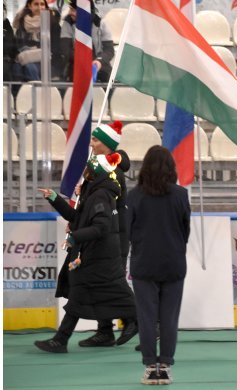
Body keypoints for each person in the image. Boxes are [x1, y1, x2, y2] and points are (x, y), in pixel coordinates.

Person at [34, 153, 136, 353]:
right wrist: (55, 199)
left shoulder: (100, 196)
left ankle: (61, 340)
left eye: (88, 169)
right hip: (96, 256)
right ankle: (62, 340)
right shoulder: (95, 192)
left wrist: (75, 237)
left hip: (100, 258)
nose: (85, 172)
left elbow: (101, 227)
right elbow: (77, 217)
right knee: (81, 297)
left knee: (90, 298)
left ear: (94, 173)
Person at [127, 145, 191, 385]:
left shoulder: (133, 196)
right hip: (173, 263)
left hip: (144, 263)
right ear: (170, 168)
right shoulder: (181, 195)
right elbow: (185, 230)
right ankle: (165, 365)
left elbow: (128, 231)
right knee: (169, 318)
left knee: (146, 317)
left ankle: (148, 366)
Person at [76, 120, 138, 348]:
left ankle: (136, 320)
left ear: (108, 144)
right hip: (105, 232)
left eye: (95, 139)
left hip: (115, 233)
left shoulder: (113, 172)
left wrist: (87, 195)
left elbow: (103, 202)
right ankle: (106, 329)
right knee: (102, 280)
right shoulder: (99, 167)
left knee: (113, 281)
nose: (91, 143)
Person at [60, 0, 114, 82]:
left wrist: (99, 61)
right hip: (77, 62)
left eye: (74, 10)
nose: (71, 13)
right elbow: (66, 51)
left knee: (107, 77)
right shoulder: (68, 23)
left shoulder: (100, 23)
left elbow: (109, 50)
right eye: (70, 9)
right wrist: (85, 61)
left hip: (98, 63)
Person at [12, 0, 61, 81]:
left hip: (47, 62)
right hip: (23, 59)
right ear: (29, 5)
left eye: (42, 4)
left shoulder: (53, 24)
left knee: (30, 67)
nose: (39, 7)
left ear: (45, 6)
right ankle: (18, 93)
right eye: (36, 4)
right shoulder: (21, 23)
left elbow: (54, 49)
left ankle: (37, 93)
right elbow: (17, 45)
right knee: (16, 68)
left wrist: (29, 53)